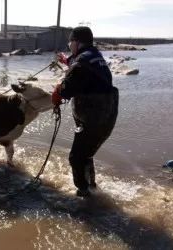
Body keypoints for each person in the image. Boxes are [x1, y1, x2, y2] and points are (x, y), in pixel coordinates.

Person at [51, 26, 119, 197]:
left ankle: (85, 198)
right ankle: (92, 188)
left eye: (70, 43)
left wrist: (57, 91)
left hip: (93, 120)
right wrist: (65, 60)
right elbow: (81, 66)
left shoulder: (81, 63)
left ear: (76, 42)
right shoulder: (94, 55)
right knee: (86, 155)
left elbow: (66, 90)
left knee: (77, 158)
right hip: (104, 118)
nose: (69, 46)